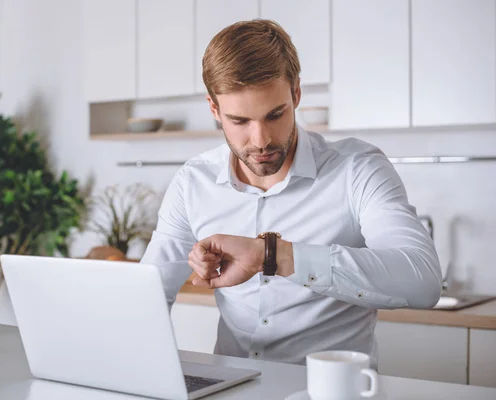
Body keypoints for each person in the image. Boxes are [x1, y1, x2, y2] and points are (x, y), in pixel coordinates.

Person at [140, 19, 442, 367]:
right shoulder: (193, 182)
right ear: (214, 109)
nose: (261, 140)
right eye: (239, 121)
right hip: (232, 389)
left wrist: (273, 255)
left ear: (296, 94)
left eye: (275, 114)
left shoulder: (357, 169)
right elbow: (148, 295)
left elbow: (423, 280)